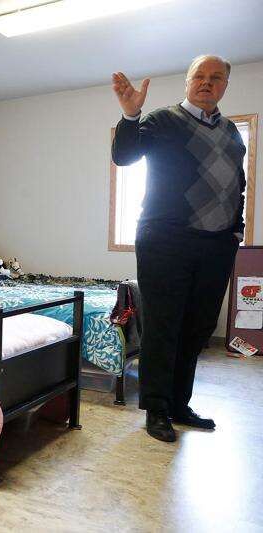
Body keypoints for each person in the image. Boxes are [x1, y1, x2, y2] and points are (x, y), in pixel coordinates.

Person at [111, 55, 246, 442]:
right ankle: (156, 408)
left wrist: (235, 230)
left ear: (224, 86)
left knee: (198, 327)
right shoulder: (163, 120)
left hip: (217, 244)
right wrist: (130, 115)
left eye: (216, 78)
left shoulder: (231, 132)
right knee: (164, 325)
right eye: (199, 76)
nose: (207, 83)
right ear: (187, 82)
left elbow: (236, 183)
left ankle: (179, 404)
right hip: (166, 239)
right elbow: (124, 156)